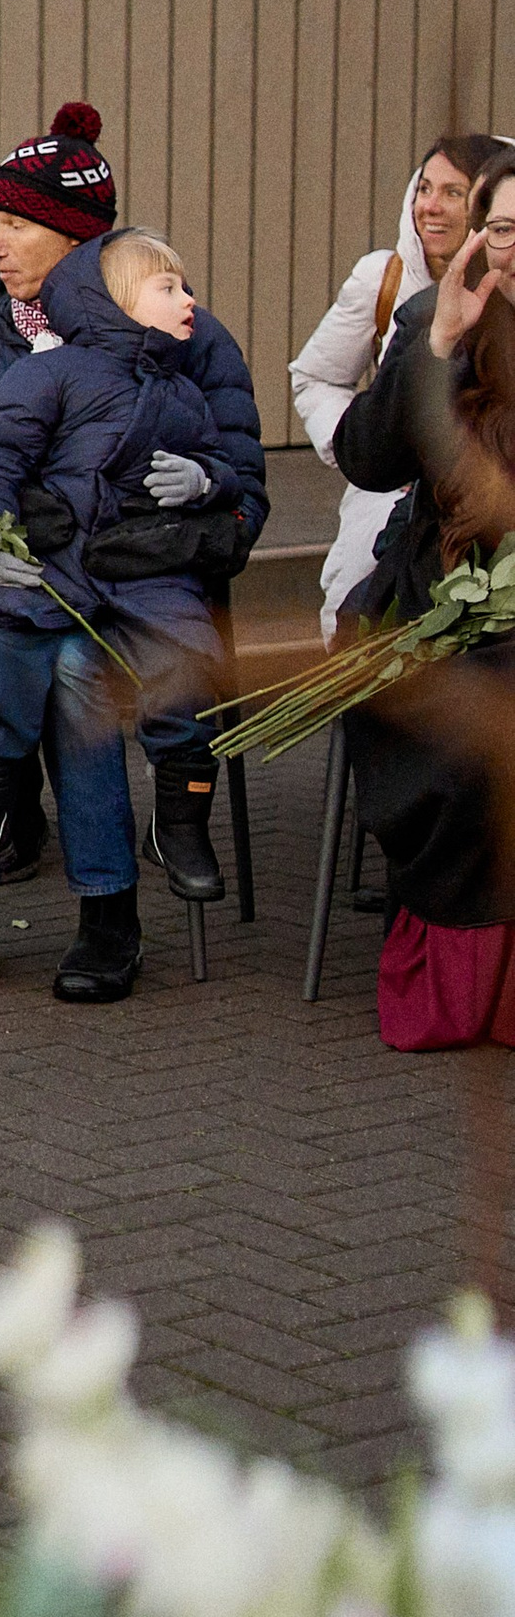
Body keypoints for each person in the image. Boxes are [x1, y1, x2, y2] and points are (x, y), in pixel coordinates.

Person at [0, 102, 266, 1003]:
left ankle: (105, 914)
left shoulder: (185, 333)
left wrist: (192, 493)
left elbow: (246, 495)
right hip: (25, 586)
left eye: (15, 225)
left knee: (79, 671)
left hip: (143, 590)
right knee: (12, 654)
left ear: (78, 240)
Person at [330, 144, 515, 1047]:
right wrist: (439, 343)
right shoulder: (433, 319)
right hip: (434, 596)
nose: (511, 250)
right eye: (502, 230)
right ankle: (459, 984)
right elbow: (368, 457)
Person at [291, 133, 499, 641]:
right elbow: (315, 376)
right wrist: (363, 445)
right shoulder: (382, 278)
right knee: (356, 627)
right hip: (385, 506)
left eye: (454, 192)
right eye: (424, 188)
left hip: (476, 521)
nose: (431, 206)